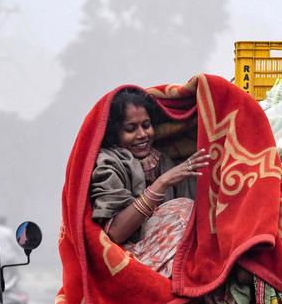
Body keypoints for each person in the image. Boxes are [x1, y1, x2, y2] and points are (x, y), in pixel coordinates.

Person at [89, 88, 211, 277]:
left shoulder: (164, 161)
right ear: (115, 133)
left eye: (146, 125)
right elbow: (115, 233)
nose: (142, 134)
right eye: (130, 129)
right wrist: (161, 183)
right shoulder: (108, 163)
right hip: (124, 261)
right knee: (182, 208)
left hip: (171, 254)